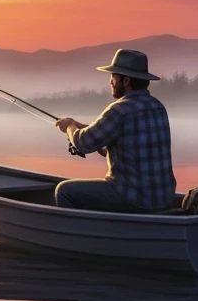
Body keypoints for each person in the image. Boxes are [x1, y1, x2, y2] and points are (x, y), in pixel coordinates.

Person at [52, 49, 176, 213]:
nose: (110, 81)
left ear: (125, 81)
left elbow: (82, 144)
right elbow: (122, 147)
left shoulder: (119, 110)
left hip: (132, 198)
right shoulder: (158, 107)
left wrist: (69, 126)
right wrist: (80, 126)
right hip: (163, 198)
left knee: (64, 191)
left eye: (113, 76)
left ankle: (81, 236)